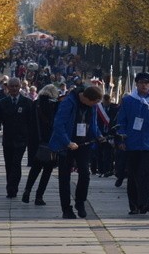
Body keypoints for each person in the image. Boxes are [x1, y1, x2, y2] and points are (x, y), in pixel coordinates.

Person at [48, 84, 104, 218]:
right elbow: (59, 124)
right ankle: (66, 208)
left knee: (85, 173)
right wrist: (67, 142)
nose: (95, 105)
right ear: (86, 99)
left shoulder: (93, 106)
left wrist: (98, 135)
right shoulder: (69, 102)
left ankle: (80, 202)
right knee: (64, 177)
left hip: (84, 143)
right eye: (94, 103)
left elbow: (94, 124)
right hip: (67, 144)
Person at [117, 72, 149, 216]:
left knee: (145, 174)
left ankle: (144, 203)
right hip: (132, 142)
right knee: (133, 175)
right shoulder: (129, 100)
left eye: (147, 83)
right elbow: (122, 120)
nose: (144, 86)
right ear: (136, 84)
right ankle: (134, 205)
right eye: (141, 83)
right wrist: (122, 139)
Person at [0, 77, 34, 199]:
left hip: (21, 140)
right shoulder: (3, 103)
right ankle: (10, 187)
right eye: (11, 86)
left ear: (20, 87)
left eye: (16, 86)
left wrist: (33, 140)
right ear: (7, 87)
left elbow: (33, 123)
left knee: (16, 163)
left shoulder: (27, 103)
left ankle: (13, 188)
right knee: (9, 164)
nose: (14, 89)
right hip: (7, 139)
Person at [22, 84, 59, 205]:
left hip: (35, 142)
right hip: (49, 141)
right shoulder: (54, 105)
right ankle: (39, 196)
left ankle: (27, 191)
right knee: (47, 171)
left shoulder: (35, 104)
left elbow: (28, 121)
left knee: (35, 168)